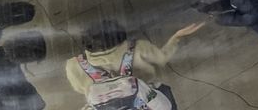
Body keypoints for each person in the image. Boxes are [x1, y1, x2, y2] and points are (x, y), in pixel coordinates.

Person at [64, 19, 200, 110]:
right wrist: (177, 37)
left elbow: (80, 88)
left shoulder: (74, 65)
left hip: (105, 104)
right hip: (147, 98)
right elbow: (162, 58)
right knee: (162, 93)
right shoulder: (139, 48)